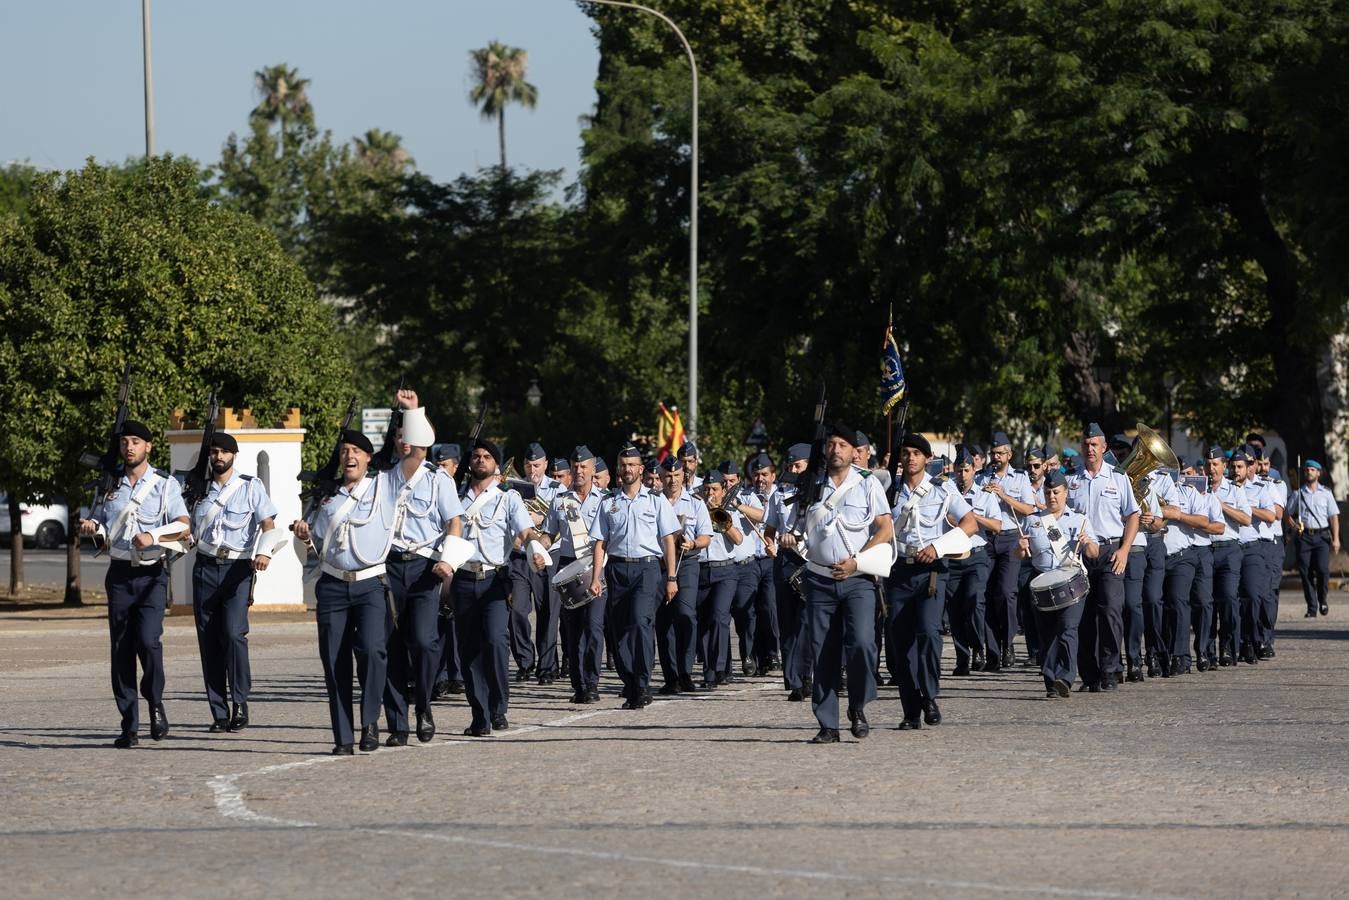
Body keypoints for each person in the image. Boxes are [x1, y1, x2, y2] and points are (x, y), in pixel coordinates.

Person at [79, 420, 190, 748]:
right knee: (121, 649)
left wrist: (152, 535)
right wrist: (93, 528)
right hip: (119, 574)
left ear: (148, 447)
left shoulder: (165, 485)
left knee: (149, 642)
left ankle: (155, 701)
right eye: (125, 441)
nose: (130, 447)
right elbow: (104, 530)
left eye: (136, 442)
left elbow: (183, 527)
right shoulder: (110, 485)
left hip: (152, 574)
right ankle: (129, 725)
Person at [779, 423, 893, 743]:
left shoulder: (867, 484)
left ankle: (857, 705)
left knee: (861, 644)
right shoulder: (810, 484)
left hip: (857, 578)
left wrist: (858, 560)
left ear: (853, 451)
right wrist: (791, 537)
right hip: (819, 578)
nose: (836, 450)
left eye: (842, 445)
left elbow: (885, 529)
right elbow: (796, 528)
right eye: (831, 444)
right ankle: (828, 724)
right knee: (824, 652)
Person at [291, 430, 397, 754]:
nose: (349, 456)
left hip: (370, 583)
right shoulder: (328, 497)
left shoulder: (383, 487)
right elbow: (315, 547)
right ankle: (343, 738)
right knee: (334, 661)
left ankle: (369, 721)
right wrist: (304, 534)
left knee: (372, 650)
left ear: (367, 458)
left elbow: (407, 464)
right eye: (344, 451)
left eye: (356, 451)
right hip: (333, 584)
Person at [379, 392, 464, 746]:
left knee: (425, 642)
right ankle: (397, 724)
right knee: (389, 645)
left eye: (409, 437)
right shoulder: (383, 478)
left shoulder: (437, 480)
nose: (403, 442)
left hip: (425, 566)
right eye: (400, 436)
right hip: (387, 566)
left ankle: (424, 705)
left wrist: (448, 559)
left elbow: (454, 522)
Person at [450, 438, 545, 735]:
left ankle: (498, 707)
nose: (480, 460)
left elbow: (526, 530)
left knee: (494, 642)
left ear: (496, 465)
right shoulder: (455, 496)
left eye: (487, 457)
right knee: (468, 651)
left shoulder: (508, 498)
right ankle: (479, 714)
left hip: (495, 579)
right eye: (476, 456)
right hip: (463, 579)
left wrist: (535, 548)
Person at [188, 431, 280, 734]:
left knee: (233, 634)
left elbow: (268, 524)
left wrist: (264, 551)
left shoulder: (250, 487)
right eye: (213, 452)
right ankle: (219, 711)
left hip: (238, 568)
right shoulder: (197, 489)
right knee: (209, 642)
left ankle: (240, 701)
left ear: (233, 456)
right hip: (204, 567)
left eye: (223, 452)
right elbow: (183, 524)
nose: (218, 457)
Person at [888, 432, 977, 729]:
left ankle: (929, 694)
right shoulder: (889, 490)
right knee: (901, 644)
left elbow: (970, 523)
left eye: (916, 453)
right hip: (899, 569)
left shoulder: (942, 488)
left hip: (932, 571)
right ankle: (911, 711)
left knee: (928, 633)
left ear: (927, 458)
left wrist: (938, 547)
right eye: (906, 452)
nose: (910, 457)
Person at [588, 445, 681, 709]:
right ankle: (629, 682)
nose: (627, 469)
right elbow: (600, 543)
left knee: (640, 623)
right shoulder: (609, 502)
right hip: (616, 569)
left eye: (632, 465)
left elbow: (668, 540)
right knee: (618, 632)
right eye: (623, 464)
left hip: (647, 569)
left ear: (641, 469)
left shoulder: (656, 500)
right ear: (618, 469)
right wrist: (596, 578)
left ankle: (642, 684)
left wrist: (671, 577)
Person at [1066, 423, 1141, 693]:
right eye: (1086, 444)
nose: (1089, 449)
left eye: (1094, 444)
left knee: (1110, 610)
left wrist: (1125, 549)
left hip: (1110, 552)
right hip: (1079, 556)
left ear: (1104, 447)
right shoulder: (1071, 479)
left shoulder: (1118, 478)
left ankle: (1110, 669)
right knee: (1083, 616)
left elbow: (1133, 515)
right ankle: (1089, 674)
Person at [1019, 468, 1097, 697]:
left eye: (1056, 492)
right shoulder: (1033, 521)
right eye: (1048, 492)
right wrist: (1020, 548)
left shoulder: (1080, 520)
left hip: (1072, 580)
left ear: (1065, 493)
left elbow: (1093, 553)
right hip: (1042, 581)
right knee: (1046, 634)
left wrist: (1087, 542)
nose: (1051, 497)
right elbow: (1021, 555)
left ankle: (1065, 677)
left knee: (1068, 628)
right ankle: (1051, 683)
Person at [541, 446, 607, 704]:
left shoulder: (605, 500)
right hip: (568, 566)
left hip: (596, 564)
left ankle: (592, 682)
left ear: (593, 470)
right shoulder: (560, 500)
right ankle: (578, 685)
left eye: (584, 467)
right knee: (572, 631)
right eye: (575, 467)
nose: (579, 471)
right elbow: (549, 533)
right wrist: (538, 546)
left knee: (594, 627)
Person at [976, 431, 1036, 670]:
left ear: (1009, 455)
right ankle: (992, 651)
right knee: (985, 595)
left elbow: (1028, 509)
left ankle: (1008, 642)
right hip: (986, 538)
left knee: (1006, 592)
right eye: (993, 453)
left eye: (1000, 453)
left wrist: (1004, 496)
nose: (996, 456)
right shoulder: (982, 477)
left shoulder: (1020, 478)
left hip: (1010, 538)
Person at [655, 456, 713, 694]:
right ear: (660, 477)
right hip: (657, 564)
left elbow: (707, 536)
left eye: (677, 475)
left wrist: (693, 543)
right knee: (663, 621)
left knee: (685, 614)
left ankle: (685, 671)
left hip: (686, 561)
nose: (673, 480)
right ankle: (671, 677)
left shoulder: (695, 502)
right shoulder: (652, 501)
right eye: (668, 476)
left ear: (684, 476)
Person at [763, 443, 813, 700]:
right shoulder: (778, 494)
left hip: (810, 559)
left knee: (806, 621)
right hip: (785, 561)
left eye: (798, 466)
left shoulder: (818, 491)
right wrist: (771, 541)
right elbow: (770, 529)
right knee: (788, 622)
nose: (793, 470)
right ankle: (793, 680)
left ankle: (808, 676)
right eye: (790, 466)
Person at [507, 442, 560, 684]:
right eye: (528, 465)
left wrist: (542, 518)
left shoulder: (557, 490)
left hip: (547, 556)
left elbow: (564, 524)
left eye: (537, 465)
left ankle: (547, 667)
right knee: (517, 609)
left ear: (546, 465)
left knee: (547, 612)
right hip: (519, 555)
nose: (532, 470)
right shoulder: (513, 489)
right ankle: (525, 662)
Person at [947, 445, 1000, 676]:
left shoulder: (984, 495)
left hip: (976, 555)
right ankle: (962, 658)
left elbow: (997, 525)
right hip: (951, 556)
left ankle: (979, 646)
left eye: (966, 470)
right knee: (955, 608)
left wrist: (972, 516)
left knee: (974, 601)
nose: (962, 474)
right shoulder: (946, 494)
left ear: (973, 470)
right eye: (959, 470)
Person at [1205, 445, 1251, 667]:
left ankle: (1228, 648)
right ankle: (1208, 653)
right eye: (1208, 464)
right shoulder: (1197, 487)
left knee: (1229, 599)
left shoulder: (1234, 490)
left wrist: (1222, 507)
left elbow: (1246, 519)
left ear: (1224, 466)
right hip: (1205, 549)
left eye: (1215, 464)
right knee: (1206, 603)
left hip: (1229, 550)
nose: (1211, 468)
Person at [1233, 447, 1276, 665]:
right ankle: (1238, 642)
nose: (1238, 469)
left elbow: (1271, 515)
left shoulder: (1260, 489)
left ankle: (1254, 638)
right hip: (1230, 547)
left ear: (1252, 466)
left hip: (1253, 547)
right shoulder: (1225, 489)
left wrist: (1247, 509)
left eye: (1243, 465)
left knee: (1253, 595)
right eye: (1236, 465)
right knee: (1232, 598)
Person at [1285, 459, 1339, 617]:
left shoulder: (1327, 494)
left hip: (1322, 536)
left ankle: (1323, 600)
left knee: (1322, 570)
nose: (1309, 472)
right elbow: (1287, 514)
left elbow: (1334, 517)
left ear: (1318, 473)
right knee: (1305, 572)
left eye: (1312, 470)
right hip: (1304, 537)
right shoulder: (1298, 493)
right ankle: (1312, 607)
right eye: (1307, 469)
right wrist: (1293, 527)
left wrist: (1336, 538)